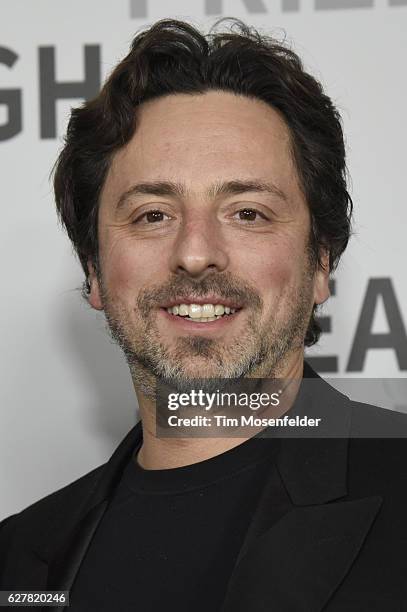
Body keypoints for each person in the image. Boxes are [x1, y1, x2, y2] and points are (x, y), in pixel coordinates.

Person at [1, 18, 406, 611]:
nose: (195, 253)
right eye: (152, 215)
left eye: (247, 213)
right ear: (92, 269)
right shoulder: (18, 558)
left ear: (320, 262)